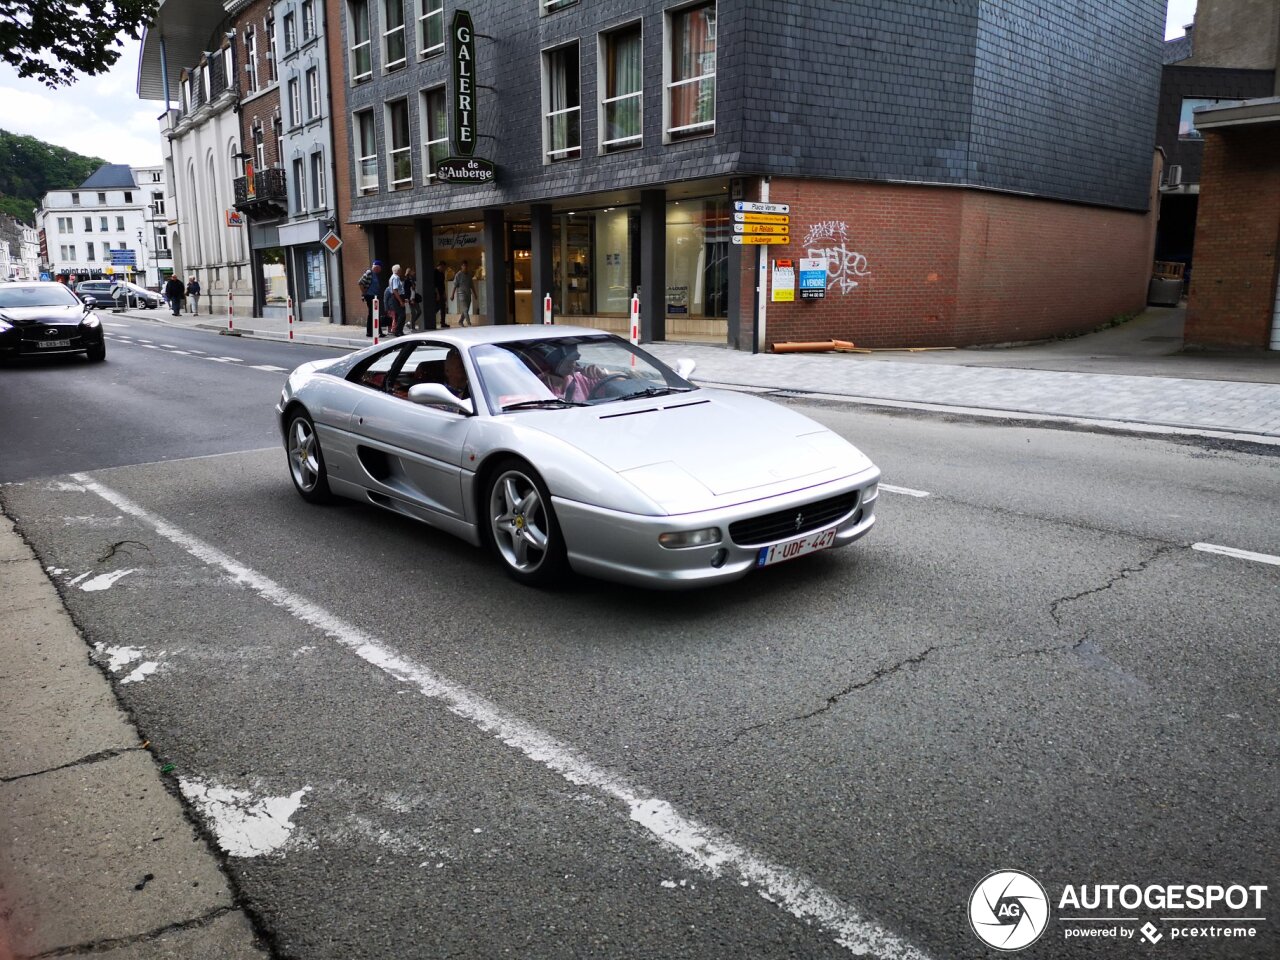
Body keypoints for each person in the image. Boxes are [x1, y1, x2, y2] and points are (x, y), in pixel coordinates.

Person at [360, 260, 382, 336]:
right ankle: (375, 332)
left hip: (374, 296)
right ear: (377, 267)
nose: (380, 270)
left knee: (373, 313)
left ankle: (372, 332)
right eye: (380, 268)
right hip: (370, 296)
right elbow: (361, 283)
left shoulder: (375, 274)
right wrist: (364, 293)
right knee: (373, 313)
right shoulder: (369, 273)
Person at [384, 263, 406, 337]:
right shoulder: (395, 278)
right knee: (402, 315)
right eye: (401, 270)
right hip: (396, 298)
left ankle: (398, 331)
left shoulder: (393, 277)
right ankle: (398, 331)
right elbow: (395, 290)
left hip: (396, 297)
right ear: (398, 270)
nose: (402, 271)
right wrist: (400, 301)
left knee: (398, 315)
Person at [451, 259, 473, 327]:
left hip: (468, 293)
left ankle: (460, 321)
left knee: (466, 309)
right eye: (463, 265)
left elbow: (471, 285)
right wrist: (452, 295)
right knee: (465, 309)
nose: (465, 267)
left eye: (466, 265)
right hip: (461, 293)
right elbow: (455, 285)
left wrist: (475, 294)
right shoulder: (458, 275)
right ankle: (469, 323)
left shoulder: (469, 274)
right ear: (461, 266)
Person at [403, 267, 421, 332]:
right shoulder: (406, 280)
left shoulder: (412, 279)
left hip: (414, 297)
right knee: (413, 312)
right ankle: (412, 327)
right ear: (409, 272)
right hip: (410, 298)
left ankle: (409, 323)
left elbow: (413, 289)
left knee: (419, 311)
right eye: (413, 271)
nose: (414, 272)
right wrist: (409, 299)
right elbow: (407, 290)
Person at [433, 261, 448, 328]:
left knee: (443, 307)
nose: (444, 269)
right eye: (443, 267)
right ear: (440, 266)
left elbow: (443, 284)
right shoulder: (435, 272)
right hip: (437, 293)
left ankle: (443, 322)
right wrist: (437, 294)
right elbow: (435, 284)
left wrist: (444, 293)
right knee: (437, 307)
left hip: (441, 292)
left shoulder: (442, 273)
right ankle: (431, 319)